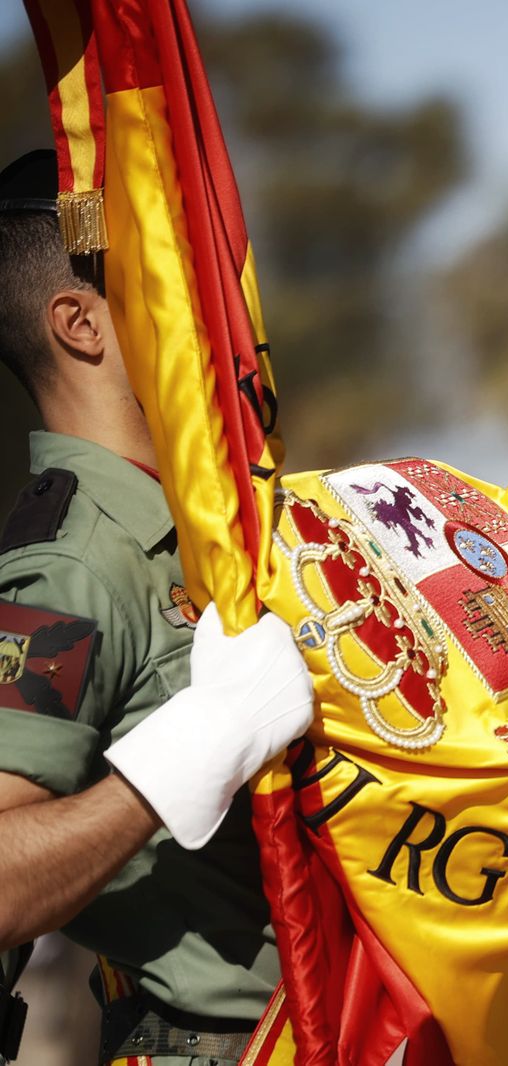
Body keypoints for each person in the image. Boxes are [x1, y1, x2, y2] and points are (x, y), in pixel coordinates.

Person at [0, 149, 313, 1064]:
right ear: (80, 323)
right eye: (175, 287)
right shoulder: (73, 567)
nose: (219, 318)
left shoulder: (206, 528)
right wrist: (184, 759)